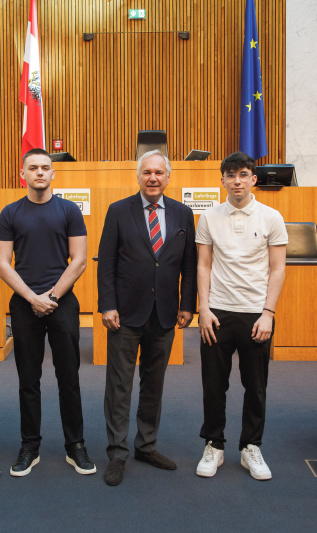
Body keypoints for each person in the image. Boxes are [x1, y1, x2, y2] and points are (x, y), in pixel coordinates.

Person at [97, 150, 197, 486]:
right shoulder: (118, 211)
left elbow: (189, 265)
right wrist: (107, 305)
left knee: (154, 384)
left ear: (168, 177)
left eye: (159, 172)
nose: (152, 178)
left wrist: (188, 305)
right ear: (137, 176)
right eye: (146, 172)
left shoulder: (183, 214)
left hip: (166, 314)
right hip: (124, 314)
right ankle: (117, 452)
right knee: (119, 385)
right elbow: (107, 263)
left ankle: (147, 445)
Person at [0, 148, 95, 477]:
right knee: (28, 379)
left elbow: (78, 260)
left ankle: (75, 446)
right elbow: (1, 263)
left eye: (45, 168)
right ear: (22, 174)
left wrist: (50, 296)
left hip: (62, 302)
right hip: (24, 304)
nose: (40, 172)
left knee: (69, 378)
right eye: (33, 168)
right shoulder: (10, 213)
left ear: (54, 174)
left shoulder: (68, 210)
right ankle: (29, 446)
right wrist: (32, 298)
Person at [195, 151, 287, 480]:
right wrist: (203, 309)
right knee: (213, 386)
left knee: (256, 386)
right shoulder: (208, 218)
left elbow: (277, 270)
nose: (237, 180)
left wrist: (268, 313)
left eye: (243, 174)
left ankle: (251, 447)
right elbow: (203, 266)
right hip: (217, 313)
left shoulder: (271, 217)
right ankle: (214, 445)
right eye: (230, 175)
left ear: (253, 180)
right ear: (222, 180)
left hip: (255, 315)